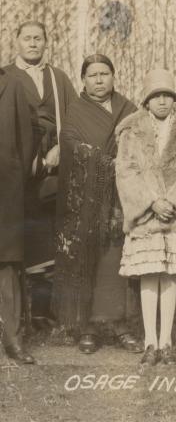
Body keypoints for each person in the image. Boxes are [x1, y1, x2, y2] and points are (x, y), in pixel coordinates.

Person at [116, 70, 176, 366]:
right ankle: (149, 341)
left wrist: (172, 201)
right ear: (146, 100)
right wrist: (151, 202)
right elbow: (126, 172)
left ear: (174, 99)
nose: (162, 101)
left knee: (169, 274)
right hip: (146, 217)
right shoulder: (131, 130)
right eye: (156, 96)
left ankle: (166, 341)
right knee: (149, 274)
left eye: (167, 95)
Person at [53, 54, 141, 355]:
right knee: (88, 259)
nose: (100, 80)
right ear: (84, 80)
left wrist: (124, 163)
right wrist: (104, 162)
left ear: (114, 76)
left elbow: (140, 143)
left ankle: (121, 326)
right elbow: (71, 144)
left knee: (117, 261)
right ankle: (87, 327)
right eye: (93, 75)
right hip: (87, 204)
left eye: (105, 73)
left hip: (121, 201)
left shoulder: (128, 109)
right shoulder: (75, 111)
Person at [4, 21, 78, 322]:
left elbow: (74, 118)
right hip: (16, 167)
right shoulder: (6, 77)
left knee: (48, 236)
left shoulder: (58, 78)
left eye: (39, 39)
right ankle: (16, 316)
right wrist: (27, 158)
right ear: (16, 42)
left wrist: (62, 147)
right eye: (27, 38)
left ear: (46, 43)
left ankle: (43, 313)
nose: (33, 44)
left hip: (54, 166)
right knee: (17, 239)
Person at [0, 64, 37, 364]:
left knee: (8, 266)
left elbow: (26, 139)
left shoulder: (11, 85)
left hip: (5, 190)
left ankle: (12, 340)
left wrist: (13, 176)